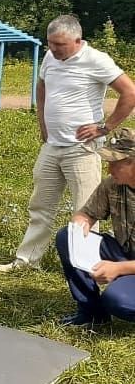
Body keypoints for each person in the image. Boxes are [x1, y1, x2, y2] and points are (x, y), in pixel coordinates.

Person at [0, 15, 135, 272]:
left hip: (82, 150)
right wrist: (42, 121)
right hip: (52, 147)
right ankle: (27, 260)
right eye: (50, 43)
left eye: (60, 44)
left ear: (77, 40)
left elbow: (130, 92)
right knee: (40, 205)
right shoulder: (50, 58)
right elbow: (42, 86)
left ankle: (86, 267)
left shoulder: (96, 60)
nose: (53, 49)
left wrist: (105, 127)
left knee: (86, 210)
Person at [55, 129, 135, 327]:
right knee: (67, 237)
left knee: (118, 301)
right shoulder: (112, 185)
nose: (109, 169)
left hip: (125, 263)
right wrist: (80, 225)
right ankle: (91, 313)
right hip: (125, 253)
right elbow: (87, 213)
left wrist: (118, 269)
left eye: (115, 163)